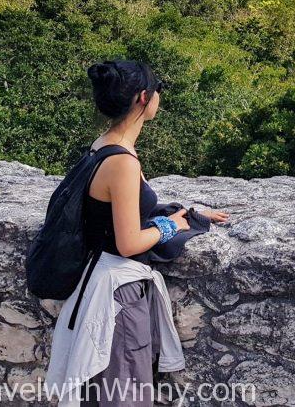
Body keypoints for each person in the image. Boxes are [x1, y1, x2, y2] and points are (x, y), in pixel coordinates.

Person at [44, 60, 229, 407]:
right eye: (158, 89)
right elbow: (129, 242)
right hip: (119, 296)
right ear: (144, 98)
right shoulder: (122, 163)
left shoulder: (103, 146)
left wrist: (184, 214)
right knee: (126, 395)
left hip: (99, 280)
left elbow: (122, 213)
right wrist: (174, 224)